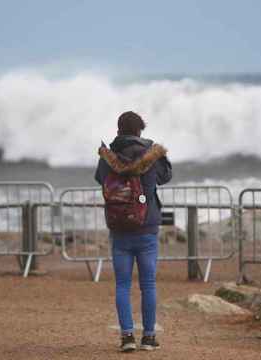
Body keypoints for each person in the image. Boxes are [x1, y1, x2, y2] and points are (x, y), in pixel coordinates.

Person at [94, 111, 172, 352]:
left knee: (122, 285)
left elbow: (100, 179)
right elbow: (166, 177)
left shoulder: (108, 157)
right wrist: (161, 156)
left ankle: (127, 337)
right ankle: (149, 338)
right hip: (146, 227)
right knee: (148, 284)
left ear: (119, 130)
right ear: (140, 130)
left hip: (119, 229)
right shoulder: (151, 154)